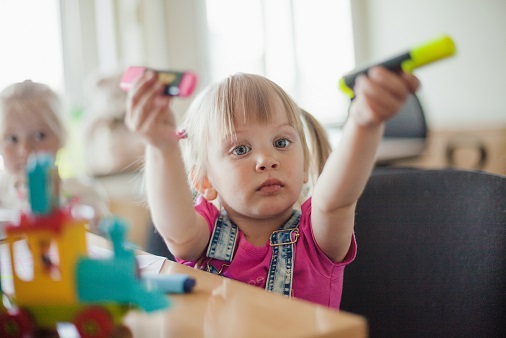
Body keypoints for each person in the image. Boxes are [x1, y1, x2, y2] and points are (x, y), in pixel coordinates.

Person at [125, 68, 419, 308]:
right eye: (240, 149)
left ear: (305, 166)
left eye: (281, 143)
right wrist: (162, 147)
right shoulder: (204, 235)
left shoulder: (316, 236)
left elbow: (335, 198)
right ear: (205, 182)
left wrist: (363, 122)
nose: (267, 160)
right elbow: (176, 230)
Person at [0, 80, 110, 234]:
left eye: (39, 135)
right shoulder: (3, 189)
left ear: (62, 138)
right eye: (12, 139)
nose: (25, 150)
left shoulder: (83, 193)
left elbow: (103, 240)